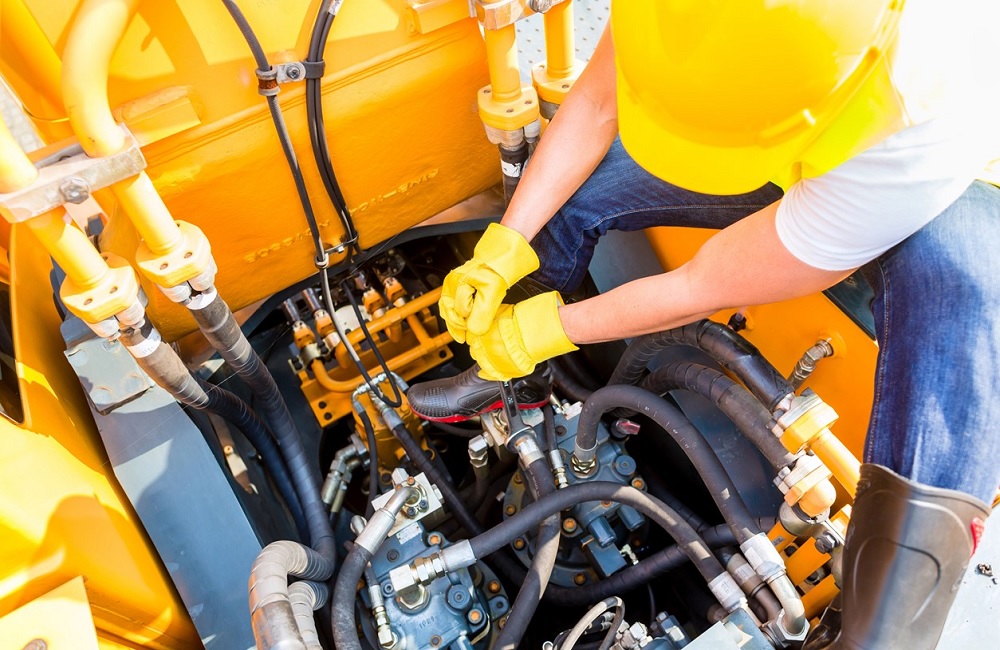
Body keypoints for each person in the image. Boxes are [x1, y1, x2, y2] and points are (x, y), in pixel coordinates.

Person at [411, 1, 1000, 647]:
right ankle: (505, 379)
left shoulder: (919, 114)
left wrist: (546, 330)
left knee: (963, 303)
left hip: (930, 182)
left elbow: (701, 284)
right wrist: (506, 244)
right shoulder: (688, 18)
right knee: (572, 196)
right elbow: (597, 103)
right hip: (783, 132)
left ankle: (877, 634)